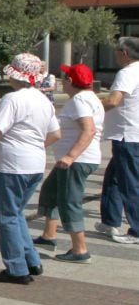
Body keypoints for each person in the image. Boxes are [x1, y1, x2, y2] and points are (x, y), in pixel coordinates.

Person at [0, 53, 61, 285]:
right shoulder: (43, 99)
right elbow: (56, 133)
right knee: (17, 213)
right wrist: (35, 146)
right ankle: (32, 259)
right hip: (35, 162)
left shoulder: (12, 99)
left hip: (12, 164)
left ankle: (16, 267)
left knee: (7, 216)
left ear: (14, 75)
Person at [33, 63, 103, 263]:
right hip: (74, 160)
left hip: (76, 161)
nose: (62, 82)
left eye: (64, 78)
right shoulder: (89, 97)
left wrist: (71, 156)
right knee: (50, 191)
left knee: (69, 202)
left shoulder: (80, 100)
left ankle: (80, 249)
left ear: (70, 81)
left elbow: (88, 129)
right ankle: (49, 236)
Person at [96, 36, 139, 244]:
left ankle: (137, 229)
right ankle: (110, 220)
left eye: (116, 50)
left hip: (127, 134)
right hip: (130, 133)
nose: (114, 54)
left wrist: (90, 104)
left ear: (125, 53)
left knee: (130, 182)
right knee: (113, 179)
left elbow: (113, 101)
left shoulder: (127, 73)